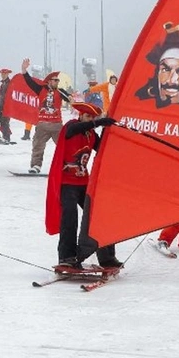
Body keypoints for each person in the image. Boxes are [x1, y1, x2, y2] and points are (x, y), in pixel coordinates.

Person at [45, 102, 121, 269]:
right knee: (70, 219)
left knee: (98, 214)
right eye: (87, 116)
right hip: (67, 183)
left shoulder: (91, 134)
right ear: (80, 116)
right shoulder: (71, 127)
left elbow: (102, 149)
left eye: (92, 117)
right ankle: (67, 257)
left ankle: (107, 257)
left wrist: (113, 133)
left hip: (84, 183)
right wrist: (98, 122)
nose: (90, 120)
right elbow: (73, 131)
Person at [21, 58, 71, 173]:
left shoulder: (60, 91)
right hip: (42, 124)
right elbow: (29, 82)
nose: (57, 82)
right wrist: (24, 70)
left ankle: (66, 165)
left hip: (56, 125)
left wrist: (71, 98)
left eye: (58, 80)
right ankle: (36, 166)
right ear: (49, 81)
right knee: (38, 145)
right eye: (55, 80)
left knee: (63, 146)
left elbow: (69, 98)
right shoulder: (40, 89)